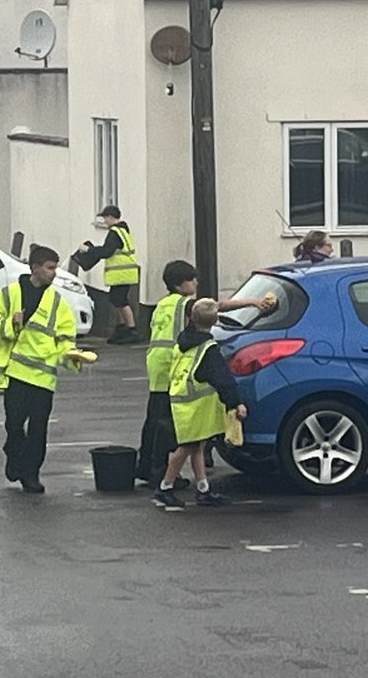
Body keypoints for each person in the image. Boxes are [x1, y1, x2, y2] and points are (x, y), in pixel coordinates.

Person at [137, 260, 268, 485]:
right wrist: (252, 302)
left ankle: (145, 466)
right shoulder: (185, 304)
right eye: (192, 279)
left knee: (154, 419)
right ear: (180, 285)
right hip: (172, 366)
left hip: (157, 364)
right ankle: (160, 473)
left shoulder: (162, 304)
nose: (196, 282)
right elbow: (215, 307)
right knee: (166, 425)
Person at [0, 245, 90, 494]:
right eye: (50, 268)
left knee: (39, 429)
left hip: (43, 377)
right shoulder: (8, 295)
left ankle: (31, 474)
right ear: (35, 268)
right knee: (15, 425)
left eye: (55, 268)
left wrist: (71, 355)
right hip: (15, 374)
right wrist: (11, 324)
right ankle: (13, 453)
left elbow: (64, 337)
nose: (54, 273)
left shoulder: (58, 302)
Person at [155, 298, 246, 509]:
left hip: (180, 400)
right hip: (195, 405)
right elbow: (223, 379)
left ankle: (203, 489)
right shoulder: (208, 349)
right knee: (187, 446)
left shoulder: (183, 340)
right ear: (215, 322)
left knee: (197, 445)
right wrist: (236, 404)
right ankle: (165, 487)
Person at [75, 205, 140, 345]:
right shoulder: (123, 230)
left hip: (122, 273)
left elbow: (107, 251)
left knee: (121, 301)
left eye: (105, 218)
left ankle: (131, 329)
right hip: (125, 273)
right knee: (116, 299)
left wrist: (89, 250)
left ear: (111, 217)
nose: (104, 221)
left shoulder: (115, 232)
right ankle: (122, 327)